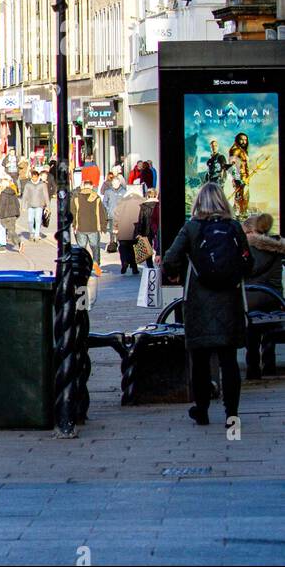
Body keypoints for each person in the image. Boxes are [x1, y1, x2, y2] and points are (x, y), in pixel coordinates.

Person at [158, 183, 253, 427]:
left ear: (198, 202)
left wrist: (175, 273)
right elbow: (248, 262)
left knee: (199, 360)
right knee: (228, 361)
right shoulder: (234, 227)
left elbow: (170, 258)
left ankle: (202, 410)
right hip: (229, 302)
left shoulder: (191, 228)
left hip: (199, 303)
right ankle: (232, 414)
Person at [244, 213, 284, 377]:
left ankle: (252, 368)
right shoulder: (277, 249)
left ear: (251, 232)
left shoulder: (245, 250)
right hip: (273, 299)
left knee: (251, 332)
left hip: (250, 299)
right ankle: (269, 365)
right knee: (269, 331)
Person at [71, 178, 107, 275]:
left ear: (83, 186)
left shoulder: (76, 198)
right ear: (91, 186)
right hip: (93, 227)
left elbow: (73, 212)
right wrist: (103, 225)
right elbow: (102, 213)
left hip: (80, 227)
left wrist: (74, 225)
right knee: (95, 248)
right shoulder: (96, 198)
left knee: (81, 248)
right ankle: (96, 265)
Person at [112, 184, 146, 275]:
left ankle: (124, 261)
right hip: (136, 229)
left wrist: (115, 227)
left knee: (123, 247)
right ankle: (134, 267)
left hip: (123, 229)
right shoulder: (142, 201)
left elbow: (116, 215)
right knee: (134, 248)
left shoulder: (122, 201)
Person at [0, 179, 23, 252]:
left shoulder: (3, 194)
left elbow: (1, 206)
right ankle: (18, 243)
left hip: (5, 215)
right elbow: (17, 204)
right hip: (13, 215)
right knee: (11, 230)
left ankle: (19, 242)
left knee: (9, 231)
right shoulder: (13, 193)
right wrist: (17, 213)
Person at [23, 169, 50, 242]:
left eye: (35, 177)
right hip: (30, 205)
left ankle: (36, 235)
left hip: (39, 205)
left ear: (38, 177)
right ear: (31, 177)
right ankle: (32, 233)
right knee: (30, 221)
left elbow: (46, 196)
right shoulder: (28, 184)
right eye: (33, 177)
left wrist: (48, 206)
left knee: (38, 220)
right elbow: (25, 195)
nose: (34, 179)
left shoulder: (42, 184)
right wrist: (23, 206)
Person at [101, 172, 125, 244]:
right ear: (112, 184)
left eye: (117, 183)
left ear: (119, 183)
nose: (115, 185)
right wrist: (108, 209)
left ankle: (118, 243)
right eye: (114, 183)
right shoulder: (108, 191)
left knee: (119, 231)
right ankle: (112, 243)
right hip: (111, 214)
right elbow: (104, 202)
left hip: (121, 215)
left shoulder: (124, 191)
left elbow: (126, 202)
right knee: (112, 231)